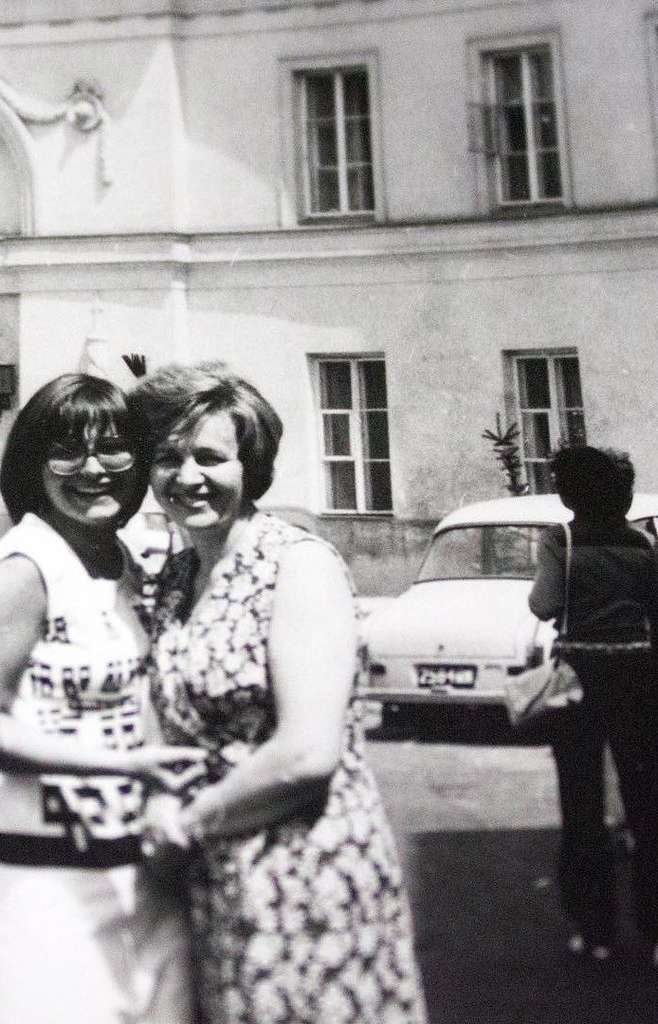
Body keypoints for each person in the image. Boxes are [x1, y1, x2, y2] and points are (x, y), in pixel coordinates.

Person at [130, 362, 427, 1024]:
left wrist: (186, 822)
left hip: (304, 878)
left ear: (251, 466)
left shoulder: (297, 565)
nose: (187, 476)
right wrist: (159, 800)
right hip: (217, 881)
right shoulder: (178, 575)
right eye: (169, 458)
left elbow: (306, 754)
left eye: (210, 458)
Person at [0, 373, 206, 1024]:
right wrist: (126, 766)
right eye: (66, 452)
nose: (92, 469)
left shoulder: (124, 561)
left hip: (142, 877)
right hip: (50, 886)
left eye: (112, 448)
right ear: (33, 467)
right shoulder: (26, 567)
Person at [529, 445, 658, 966]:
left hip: (578, 678)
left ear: (571, 495)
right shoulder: (646, 544)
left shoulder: (559, 540)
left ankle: (595, 929)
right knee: (646, 801)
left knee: (582, 802)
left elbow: (544, 604)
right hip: (640, 674)